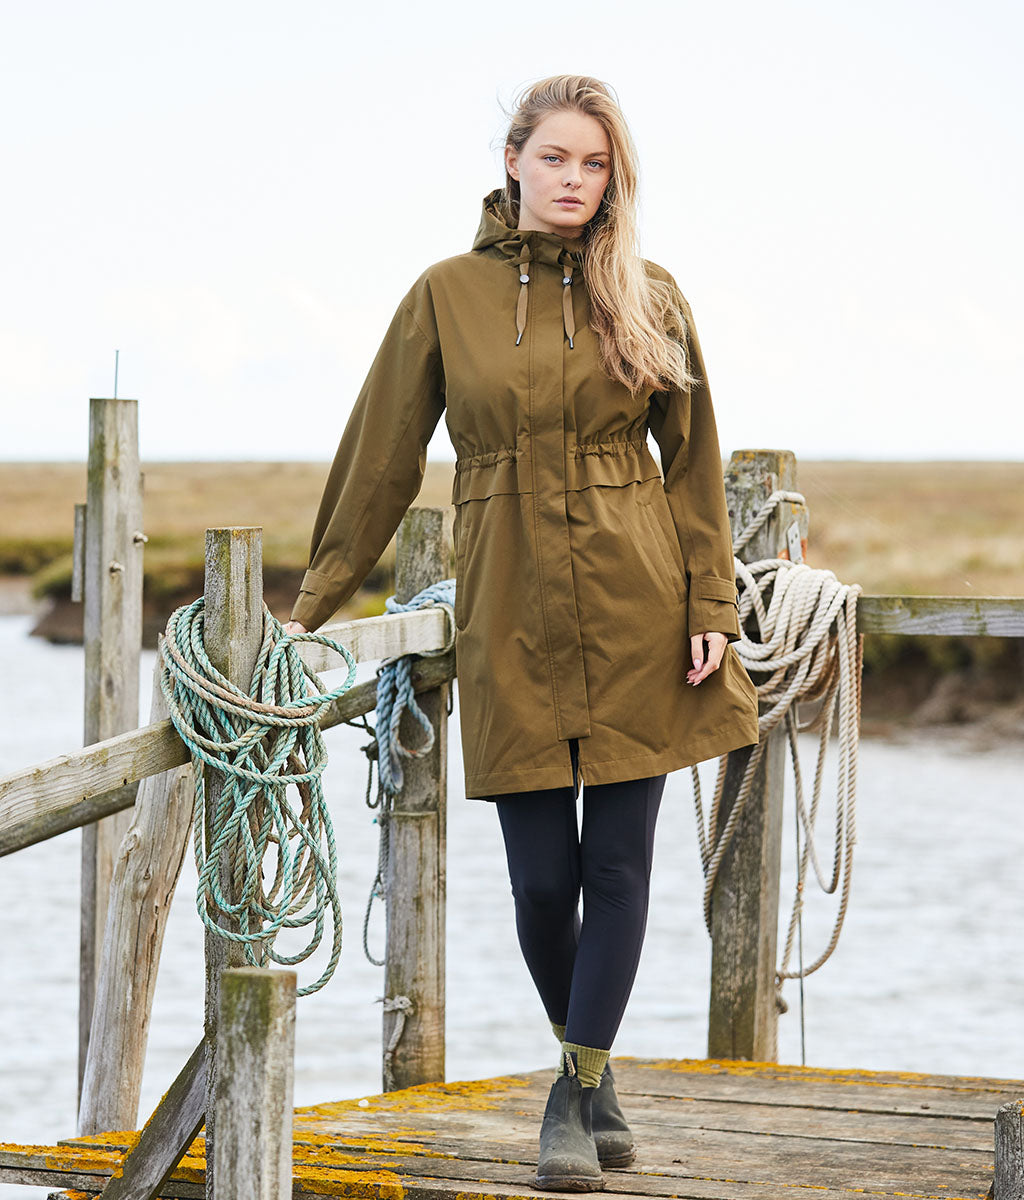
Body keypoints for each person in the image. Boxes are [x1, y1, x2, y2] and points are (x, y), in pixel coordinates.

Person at [283, 74, 760, 1193]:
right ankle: (593, 1083)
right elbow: (380, 462)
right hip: (510, 609)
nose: (575, 182)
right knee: (543, 880)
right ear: (513, 160)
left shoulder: (651, 294)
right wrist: (310, 607)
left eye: (595, 166)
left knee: (620, 860)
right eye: (557, 159)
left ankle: (568, 1091)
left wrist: (711, 607)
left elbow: (692, 467)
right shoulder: (444, 296)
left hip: (639, 598)